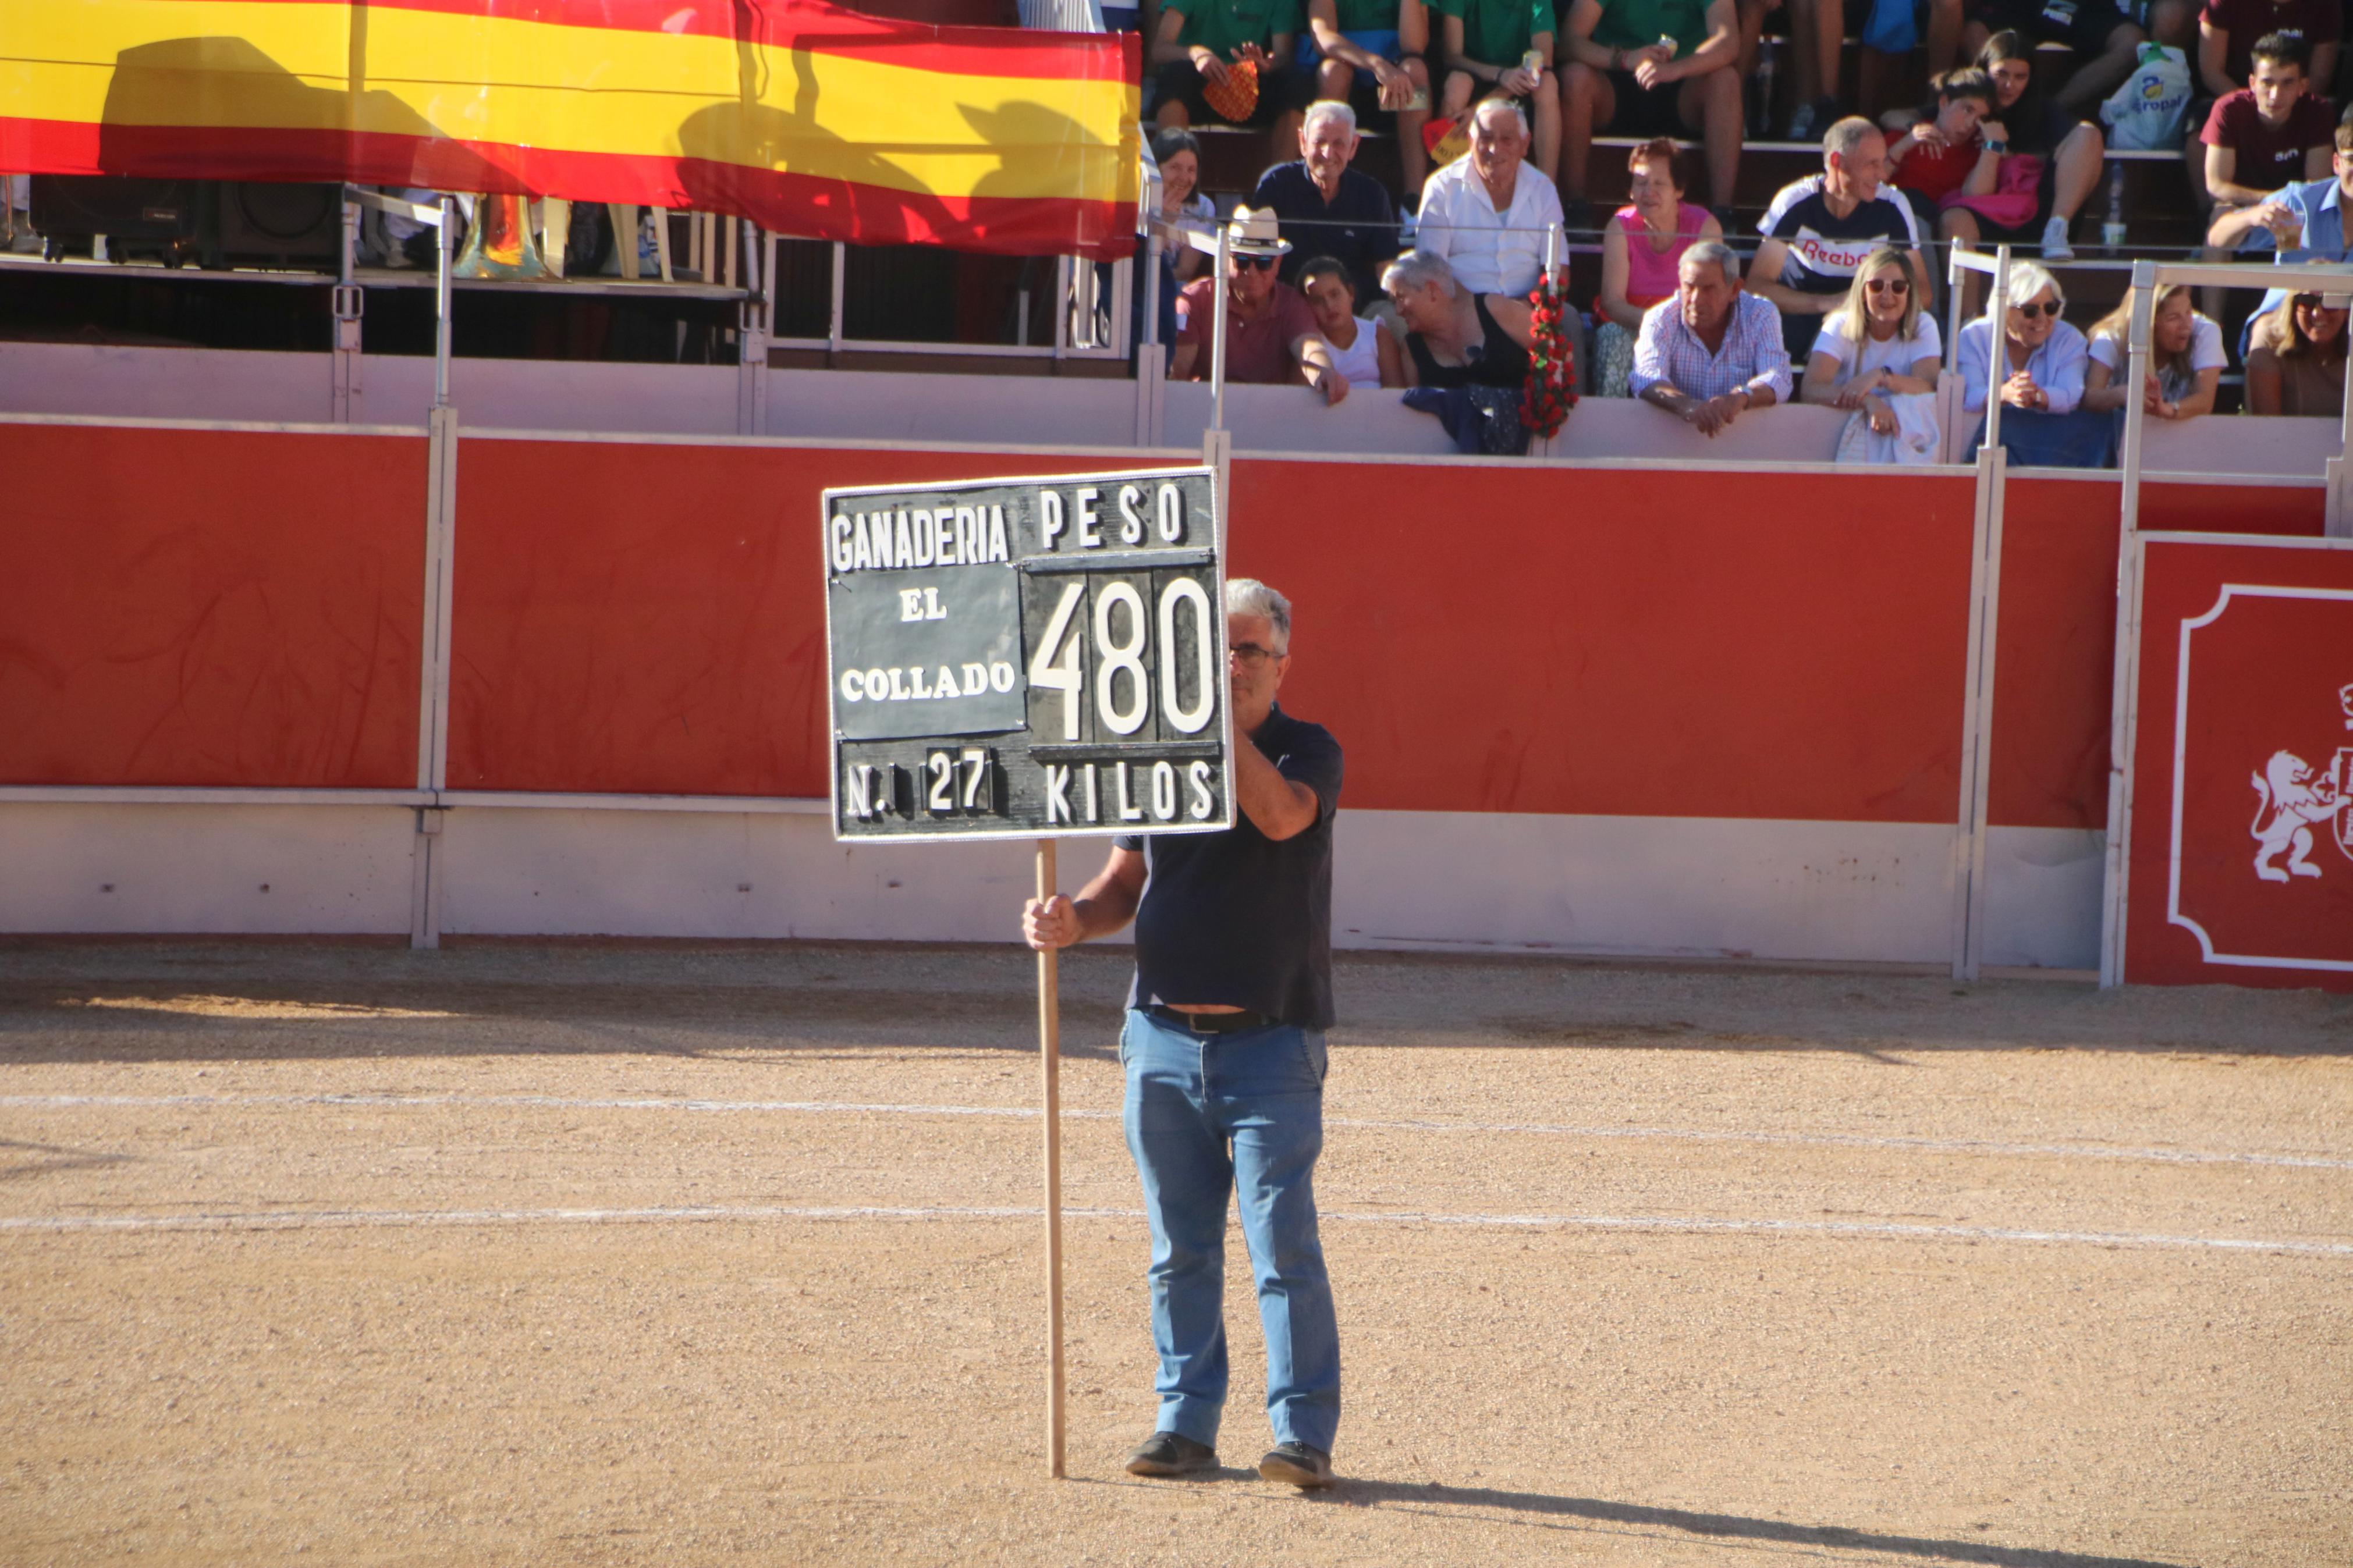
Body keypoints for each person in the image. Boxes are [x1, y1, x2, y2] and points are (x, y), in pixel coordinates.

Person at [1021, 577, 1346, 1492]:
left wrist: (1213, 726)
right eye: (1219, 649)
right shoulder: (1155, 753)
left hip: (1270, 1043)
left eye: (1248, 650)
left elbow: (1279, 814)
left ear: (1282, 663)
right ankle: (1184, 1420)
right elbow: (1122, 884)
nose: (1233, 664)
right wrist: (1070, 919)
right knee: (1178, 1245)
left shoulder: (1307, 749)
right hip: (1158, 1039)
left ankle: (1300, 1433)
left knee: (1282, 1245)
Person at [1751, 117, 1931, 357]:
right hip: (1799, 316)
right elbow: (1757, 287)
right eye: (1872, 164)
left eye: (1882, 163)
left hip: (1867, 318)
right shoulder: (1795, 201)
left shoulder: (1893, 205)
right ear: (1837, 161)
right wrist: (1828, 303)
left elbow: (1923, 293)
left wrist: (1867, 308)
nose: (1882, 175)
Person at [1559, 0, 1744, 226]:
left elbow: (1728, 41)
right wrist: (1625, 59)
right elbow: (1569, 40)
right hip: (1617, 81)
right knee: (1574, 78)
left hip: (1684, 83)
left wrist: (1674, 69)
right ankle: (1574, 206)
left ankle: (1722, 213)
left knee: (1726, 80)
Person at [1940, 31, 2107, 275]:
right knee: (1954, 221)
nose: (2010, 86)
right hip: (1983, 209)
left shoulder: (2044, 108)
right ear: (1985, 70)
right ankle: (1967, 315)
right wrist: (1916, 128)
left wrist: (2008, 154)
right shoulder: (1967, 102)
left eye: (2020, 77)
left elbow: (2067, 153)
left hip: (2040, 210)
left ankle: (2057, 230)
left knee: (2088, 133)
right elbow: (1898, 116)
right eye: (2002, 75)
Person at [1170, 207, 1353, 404]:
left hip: (1271, 417)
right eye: (1242, 261)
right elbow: (1176, 375)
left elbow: (1309, 346)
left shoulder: (1291, 303)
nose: (1252, 272)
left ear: (1278, 264)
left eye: (1264, 262)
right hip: (1206, 411)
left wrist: (1325, 372)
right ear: (1224, 260)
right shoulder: (1195, 300)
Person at [1595, 138, 1722, 395]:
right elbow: (1613, 302)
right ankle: (1610, 426)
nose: (1647, 192)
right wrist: (1656, 324)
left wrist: (1674, 329)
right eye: (1641, 183)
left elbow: (1713, 300)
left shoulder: (1705, 228)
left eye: (1659, 184)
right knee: (1611, 336)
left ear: (1679, 189)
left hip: (1688, 328)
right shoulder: (1620, 226)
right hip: (1634, 326)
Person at [1629, 239, 1794, 434]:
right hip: (1671, 443)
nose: (1696, 299)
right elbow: (1646, 377)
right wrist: (1689, 406)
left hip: (1746, 441)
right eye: (1689, 287)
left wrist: (1740, 398)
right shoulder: (1659, 318)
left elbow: (1779, 377)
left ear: (1734, 289)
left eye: (1708, 289)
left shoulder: (1761, 314)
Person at [1414, 97, 1567, 297]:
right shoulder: (1442, 187)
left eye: (1507, 139)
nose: (1495, 149)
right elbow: (1431, 271)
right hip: (1460, 311)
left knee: (1571, 322)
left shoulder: (1543, 188)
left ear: (1525, 143)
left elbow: (1557, 269)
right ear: (1470, 142)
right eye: (1486, 139)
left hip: (1528, 312)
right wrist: (1482, 313)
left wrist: (1522, 312)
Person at [1252, 100, 1403, 299]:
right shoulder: (1276, 184)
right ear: (1303, 142)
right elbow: (1255, 257)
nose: (1327, 153)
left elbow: (1385, 266)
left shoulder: (1372, 194)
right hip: (1289, 306)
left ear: (1354, 146)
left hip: (1356, 309)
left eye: (1339, 143)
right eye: (1319, 142)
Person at [2197, 34, 2334, 251]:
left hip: (2296, 209)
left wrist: (2280, 207)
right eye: (2267, 83)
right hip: (2244, 207)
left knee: (2324, 219)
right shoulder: (2228, 109)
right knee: (2220, 218)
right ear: (2252, 83)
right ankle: (2213, 286)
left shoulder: (2319, 111)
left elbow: (2315, 185)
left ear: (2303, 86)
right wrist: (2264, 206)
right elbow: (2216, 185)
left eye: (2287, 83)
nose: (2275, 95)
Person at [1798, 246, 1942, 433]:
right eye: (1877, 286)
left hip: (1903, 432)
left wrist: (1881, 377)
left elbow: (1928, 389)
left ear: (1910, 292)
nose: (1887, 295)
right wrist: (1868, 401)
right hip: (1840, 432)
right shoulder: (1840, 323)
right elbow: (1811, 390)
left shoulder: (1923, 324)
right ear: (1863, 292)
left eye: (1898, 287)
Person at [1152, 0, 1309, 170]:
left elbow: (1283, 57)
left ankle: (1280, 183)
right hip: (1198, 88)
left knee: (1297, 84)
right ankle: (1171, 173)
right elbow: (1160, 49)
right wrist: (1196, 54)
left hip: (1251, 90)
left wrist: (1264, 64)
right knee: (1175, 76)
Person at [1304, 0, 1436, 198]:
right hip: (1347, 62)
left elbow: (1414, 45)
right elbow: (1323, 36)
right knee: (1332, 73)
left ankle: (1413, 201)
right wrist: (1375, 64)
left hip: (1394, 81)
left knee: (1415, 72)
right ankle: (1324, 193)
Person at [1934, 0, 2150, 116]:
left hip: (2082, 5)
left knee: (2133, 43)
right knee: (1972, 31)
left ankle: (2048, 110)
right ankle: (1997, 105)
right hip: (2020, 4)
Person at [1433, 0, 1564, 179]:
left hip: (1518, 86)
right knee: (1458, 84)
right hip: (1476, 76)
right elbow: (1452, 56)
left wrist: (1479, 108)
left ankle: (1546, 190)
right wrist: (1500, 74)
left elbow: (1542, 59)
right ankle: (1449, 187)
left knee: (1547, 83)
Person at [1382, 247, 1536, 385]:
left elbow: (1551, 351)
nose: (1398, 310)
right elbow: (1412, 407)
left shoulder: (1494, 308)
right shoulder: (1412, 348)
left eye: (1401, 298)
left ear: (1432, 290)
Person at [1956, 259, 2085, 414]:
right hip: (1984, 433)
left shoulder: (2069, 338)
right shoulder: (1974, 336)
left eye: (2051, 308)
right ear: (2003, 309)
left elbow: (2071, 396)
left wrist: (2036, 396)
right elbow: (1969, 396)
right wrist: (2004, 394)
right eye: (2030, 310)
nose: (2042, 319)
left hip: (2050, 432)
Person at [2081, 283, 2225, 418]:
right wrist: (2123, 394)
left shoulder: (2205, 330)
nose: (2186, 325)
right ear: (2149, 324)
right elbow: (2090, 397)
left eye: (2189, 312)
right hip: (2117, 434)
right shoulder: (2111, 338)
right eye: (2173, 318)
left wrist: (2167, 409)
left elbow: (2205, 401)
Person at [1883, 68, 1999, 227]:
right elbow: (1868, 182)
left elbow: (1977, 199)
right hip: (1895, 222)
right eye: (1967, 110)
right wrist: (1903, 146)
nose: (1971, 123)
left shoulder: (1978, 152)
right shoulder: (1905, 136)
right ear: (1944, 103)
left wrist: (1992, 149)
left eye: (1981, 118)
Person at [2196, 0, 2338, 105]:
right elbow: (2212, 72)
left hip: (2298, 104)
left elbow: (2320, 77)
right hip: (2233, 99)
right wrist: (2251, 105)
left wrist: (2284, 108)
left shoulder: (2325, 5)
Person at [1300, 252, 1404, 385]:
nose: (1329, 305)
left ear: (1350, 293)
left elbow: (1394, 395)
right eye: (1318, 300)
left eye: (1335, 294)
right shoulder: (1306, 346)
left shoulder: (1378, 336)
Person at [2244, 286, 2350, 415]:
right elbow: (2266, 425)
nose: (2317, 313)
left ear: (2348, 309)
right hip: (2285, 435)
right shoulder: (2270, 337)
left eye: (2330, 303)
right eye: (2307, 302)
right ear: (2293, 308)